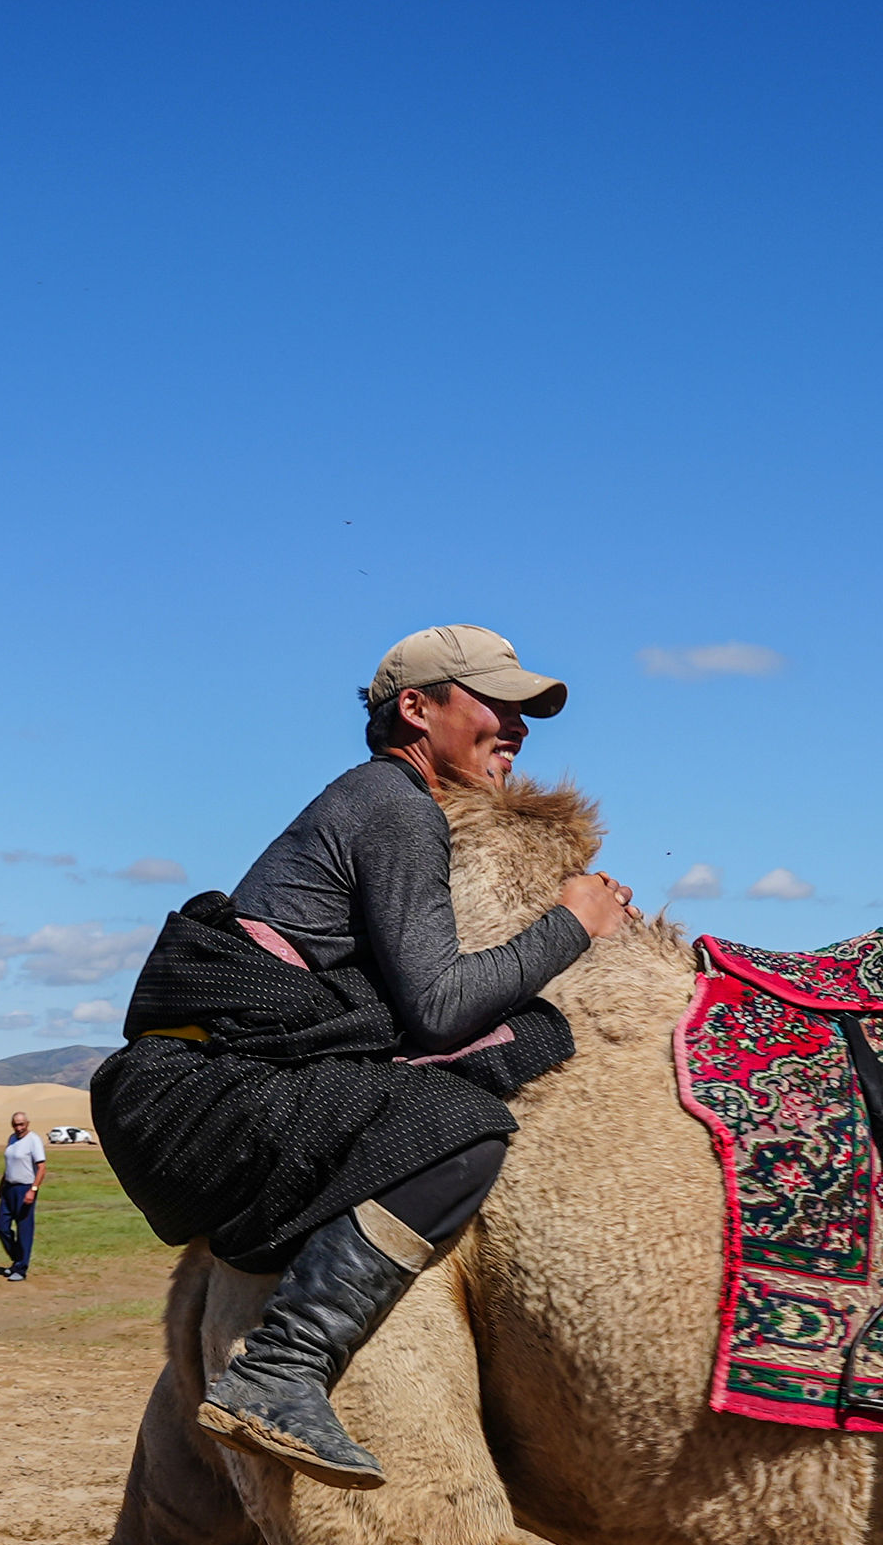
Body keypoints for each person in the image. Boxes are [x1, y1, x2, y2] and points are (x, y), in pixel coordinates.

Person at [89, 626, 633, 1488]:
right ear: (416, 708)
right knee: (465, 1127)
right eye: (497, 705)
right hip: (202, 1101)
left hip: (202, 1088)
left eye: (526, 713)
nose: (519, 729)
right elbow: (441, 1004)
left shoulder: (377, 802)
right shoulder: (394, 807)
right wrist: (573, 924)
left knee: (534, 1035)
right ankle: (284, 1365)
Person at [0, 1113, 45, 1283]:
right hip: (9, 1188)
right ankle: (18, 1259)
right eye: (16, 1125)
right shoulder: (12, 1139)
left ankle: (21, 1268)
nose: (19, 1128)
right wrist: (2, 1185)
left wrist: (33, 1189)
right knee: (1, 1227)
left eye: (22, 1124)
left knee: (24, 1229)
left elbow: (41, 1168)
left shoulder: (33, 1140)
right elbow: (9, 1165)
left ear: (27, 1123)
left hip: (25, 1188)